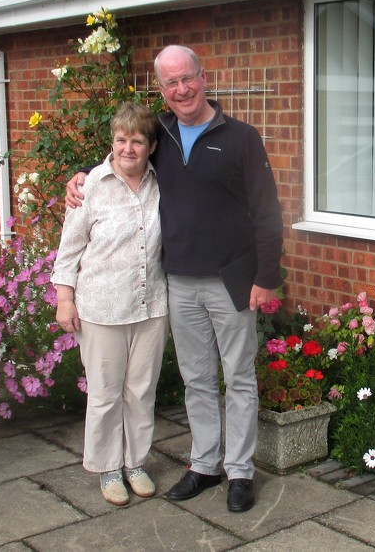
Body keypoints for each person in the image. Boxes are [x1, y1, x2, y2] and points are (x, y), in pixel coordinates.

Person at [66, 45, 284, 513]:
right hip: (179, 281)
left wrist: (267, 275)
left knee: (239, 377)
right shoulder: (160, 134)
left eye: (187, 78)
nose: (181, 89)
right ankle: (205, 464)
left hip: (233, 279)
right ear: (161, 90)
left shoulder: (242, 137)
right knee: (197, 378)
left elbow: (268, 210)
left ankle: (240, 472)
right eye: (170, 83)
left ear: (203, 78)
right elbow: (122, 155)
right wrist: (79, 176)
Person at [52, 102, 168, 506]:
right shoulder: (90, 187)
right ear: (112, 142)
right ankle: (107, 469)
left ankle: (135, 463)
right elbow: (68, 252)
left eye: (137, 141)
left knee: (141, 391)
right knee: (104, 393)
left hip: (151, 305)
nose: (128, 149)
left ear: (151, 146)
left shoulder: (162, 182)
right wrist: (64, 300)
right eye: (122, 140)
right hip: (101, 307)